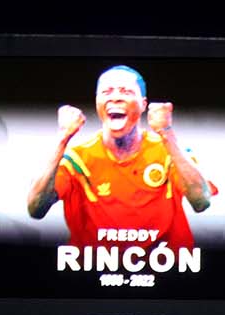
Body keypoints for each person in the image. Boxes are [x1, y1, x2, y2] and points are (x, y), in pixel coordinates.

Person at [26, 65, 212, 250]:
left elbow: (201, 201)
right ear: (97, 102)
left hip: (165, 268)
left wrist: (166, 133)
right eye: (106, 92)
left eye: (125, 91)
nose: (115, 97)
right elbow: (35, 208)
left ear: (143, 104)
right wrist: (63, 137)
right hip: (94, 270)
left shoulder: (170, 152)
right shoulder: (77, 158)